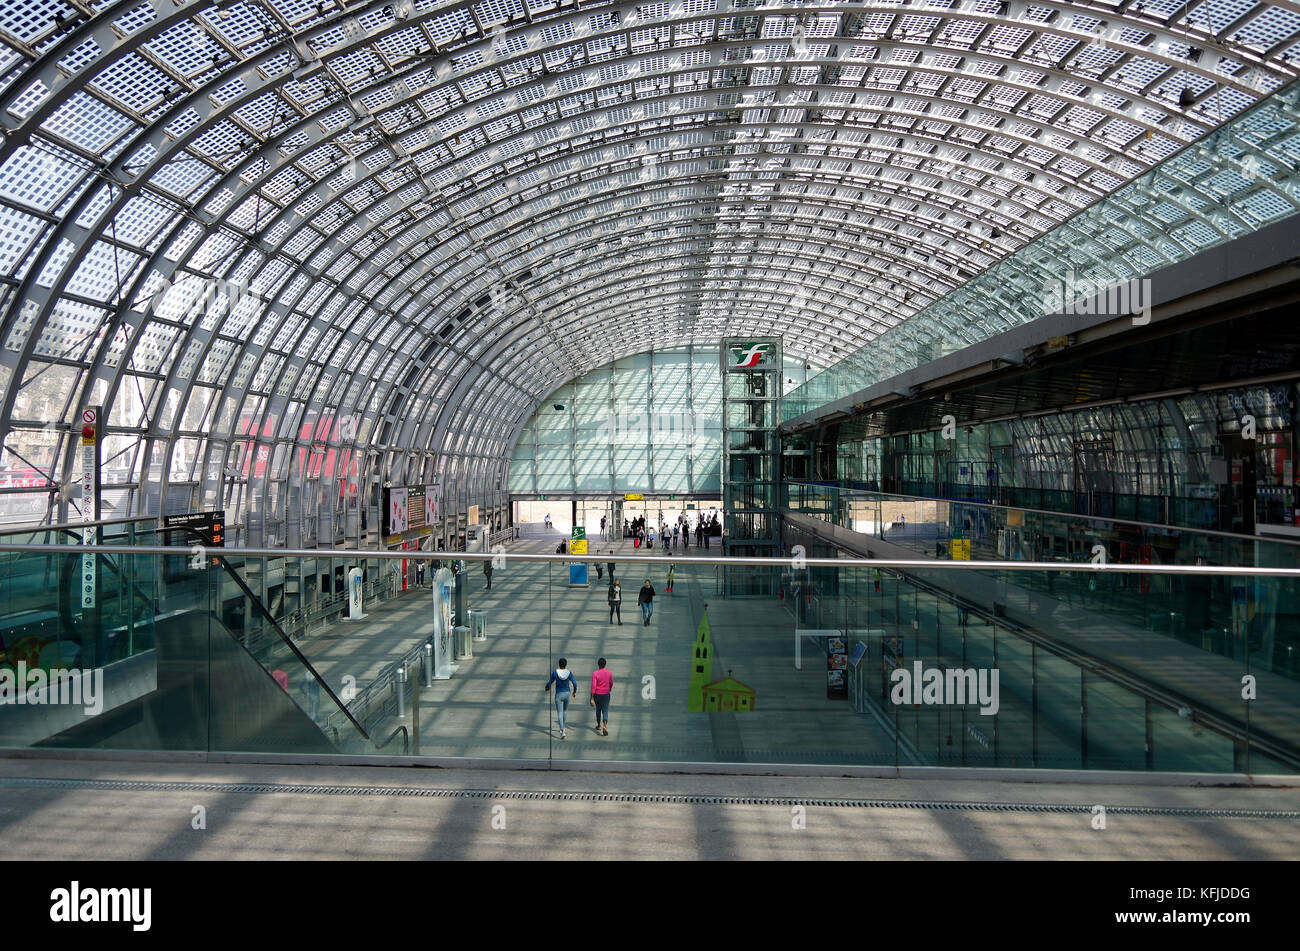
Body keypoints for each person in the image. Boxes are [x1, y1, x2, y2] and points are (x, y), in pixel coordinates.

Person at [543, 658, 578, 739]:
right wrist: (574, 692)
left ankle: (562, 730)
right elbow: (575, 684)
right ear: (566, 664)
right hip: (567, 694)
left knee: (560, 712)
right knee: (565, 711)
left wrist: (547, 687)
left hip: (559, 694)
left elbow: (550, 682)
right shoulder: (569, 673)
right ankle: (563, 726)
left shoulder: (555, 673)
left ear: (559, 664)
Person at [589, 657, 612, 735]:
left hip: (597, 695)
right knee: (605, 710)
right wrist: (609, 689)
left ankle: (598, 725)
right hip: (606, 694)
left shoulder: (595, 673)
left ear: (598, 664)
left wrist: (591, 698)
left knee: (598, 710)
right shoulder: (609, 673)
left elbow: (593, 686)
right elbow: (611, 682)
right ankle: (604, 725)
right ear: (605, 664)